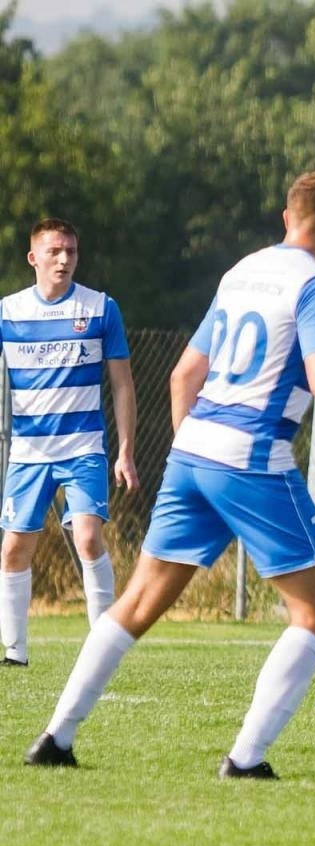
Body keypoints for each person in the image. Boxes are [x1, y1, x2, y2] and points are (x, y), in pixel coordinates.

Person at [24, 171, 315, 777]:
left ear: (285, 216)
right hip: (253, 459)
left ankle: (56, 739)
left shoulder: (240, 272)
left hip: (192, 452)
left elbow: (183, 375)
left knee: (135, 604)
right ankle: (246, 759)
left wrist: (197, 449)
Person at [1, 218, 139, 667]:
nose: (64, 259)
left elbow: (122, 384)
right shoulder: (9, 312)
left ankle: (105, 646)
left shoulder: (101, 309)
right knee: (14, 549)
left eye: (71, 252)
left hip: (83, 449)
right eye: (55, 251)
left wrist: (125, 450)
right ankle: (15, 651)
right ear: (33, 257)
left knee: (87, 539)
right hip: (28, 453)